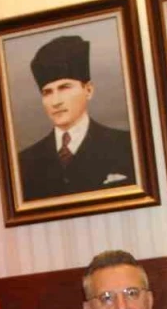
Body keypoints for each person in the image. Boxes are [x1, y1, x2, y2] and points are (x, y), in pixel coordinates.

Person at [17, 35, 136, 201]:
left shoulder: (127, 146)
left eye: (64, 87)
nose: (56, 102)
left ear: (88, 90)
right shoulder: (24, 162)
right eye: (47, 92)